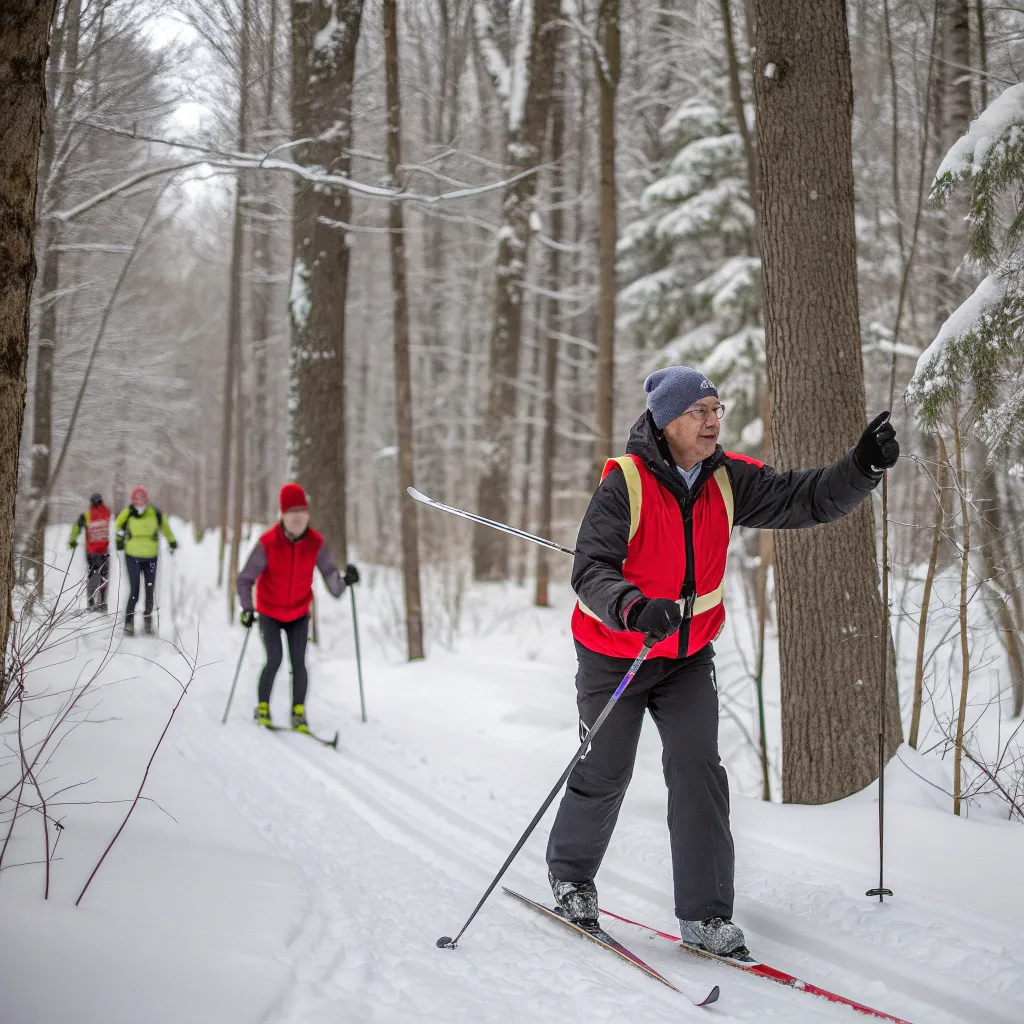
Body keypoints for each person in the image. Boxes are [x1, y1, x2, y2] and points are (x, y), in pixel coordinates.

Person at [545, 365, 899, 960]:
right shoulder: (623, 485)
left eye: (717, 410)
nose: (713, 422)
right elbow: (590, 572)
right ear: (668, 421)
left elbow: (804, 497)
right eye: (700, 412)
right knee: (605, 770)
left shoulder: (726, 479)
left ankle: (706, 917)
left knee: (698, 773)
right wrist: (633, 608)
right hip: (618, 654)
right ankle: (572, 879)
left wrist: (859, 468)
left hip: (686, 656)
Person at [236, 482, 360, 734]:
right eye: (292, 515)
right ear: (282, 515)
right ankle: (262, 707)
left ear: (308, 515)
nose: (298, 520)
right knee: (274, 659)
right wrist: (248, 609)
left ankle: (298, 712)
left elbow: (332, 581)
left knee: (299, 663)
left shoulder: (315, 543)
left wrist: (345, 580)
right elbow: (245, 578)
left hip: (299, 614)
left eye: (302, 515)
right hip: (269, 612)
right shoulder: (268, 543)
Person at [115, 486, 177, 636]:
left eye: (142, 497)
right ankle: (129, 623)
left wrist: (172, 541)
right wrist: (119, 540)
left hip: (151, 556)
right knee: (134, 590)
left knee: (149, 591)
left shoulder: (154, 513)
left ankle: (148, 621)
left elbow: (166, 528)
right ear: (132, 499)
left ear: (146, 498)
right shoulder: (128, 513)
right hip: (132, 555)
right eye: (136, 497)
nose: (139, 500)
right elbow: (118, 527)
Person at [68, 493, 112, 612]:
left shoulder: (86, 516)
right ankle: (102, 602)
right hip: (105, 551)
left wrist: (72, 540)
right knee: (104, 576)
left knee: (93, 576)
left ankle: (91, 602)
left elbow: (77, 528)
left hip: (92, 552)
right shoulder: (108, 514)